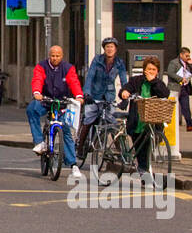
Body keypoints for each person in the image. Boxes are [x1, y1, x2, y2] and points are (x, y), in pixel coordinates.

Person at [27, 45, 84, 178]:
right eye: (53, 55)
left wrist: (79, 96)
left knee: (66, 131)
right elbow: (37, 79)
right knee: (32, 110)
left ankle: (73, 165)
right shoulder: (41, 66)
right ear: (49, 55)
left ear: (62, 56)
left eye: (57, 56)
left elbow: (74, 82)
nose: (55, 58)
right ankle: (40, 142)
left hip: (61, 102)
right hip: (45, 100)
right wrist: (36, 92)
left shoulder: (68, 68)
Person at [120, 56, 171, 183]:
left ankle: (144, 169)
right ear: (144, 70)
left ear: (157, 71)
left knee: (149, 145)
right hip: (137, 119)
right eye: (149, 69)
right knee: (140, 146)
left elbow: (164, 94)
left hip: (153, 120)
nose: (151, 71)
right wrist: (124, 92)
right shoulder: (136, 80)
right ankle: (143, 170)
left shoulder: (159, 83)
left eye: (154, 69)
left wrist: (153, 81)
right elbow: (126, 88)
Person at [76, 37, 128, 158]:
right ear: (104, 48)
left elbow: (124, 80)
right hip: (94, 95)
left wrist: (125, 96)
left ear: (116, 49)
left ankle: (122, 153)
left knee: (113, 123)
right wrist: (87, 93)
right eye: (107, 47)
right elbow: (90, 77)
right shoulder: (97, 60)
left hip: (109, 96)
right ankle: (80, 147)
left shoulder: (119, 63)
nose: (110, 49)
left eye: (112, 47)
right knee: (88, 120)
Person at [167, 46, 192, 131]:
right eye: (186, 56)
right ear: (181, 55)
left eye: (189, 55)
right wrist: (180, 78)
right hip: (175, 87)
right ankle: (168, 124)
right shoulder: (174, 63)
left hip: (184, 88)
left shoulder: (187, 64)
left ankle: (189, 125)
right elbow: (170, 73)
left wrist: (191, 64)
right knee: (171, 107)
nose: (188, 57)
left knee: (186, 107)